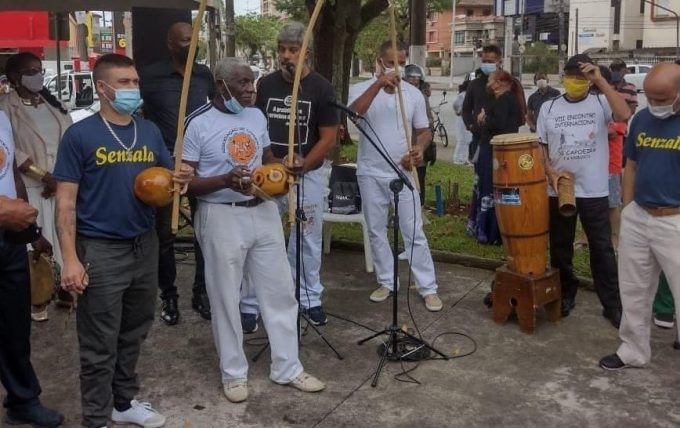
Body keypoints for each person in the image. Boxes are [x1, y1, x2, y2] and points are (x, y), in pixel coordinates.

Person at [54, 54, 193, 428]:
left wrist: (178, 181)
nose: (134, 88)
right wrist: (70, 259)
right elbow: (65, 204)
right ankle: (96, 417)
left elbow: (163, 183)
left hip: (144, 244)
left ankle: (123, 400)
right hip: (100, 249)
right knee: (99, 341)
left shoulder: (148, 131)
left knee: (135, 329)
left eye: (135, 81)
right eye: (125, 82)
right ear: (103, 88)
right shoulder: (80, 136)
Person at [182, 58, 325, 403]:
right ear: (221, 85)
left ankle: (287, 367)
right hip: (220, 216)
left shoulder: (256, 115)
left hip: (263, 210)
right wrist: (224, 180)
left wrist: (284, 166)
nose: (250, 89)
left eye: (252, 82)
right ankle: (233, 373)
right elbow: (184, 184)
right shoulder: (197, 123)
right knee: (226, 297)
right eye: (243, 83)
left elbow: (267, 159)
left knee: (280, 291)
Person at [239, 22, 339, 330]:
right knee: (259, 237)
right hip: (269, 173)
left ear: (305, 53)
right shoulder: (266, 85)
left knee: (306, 238)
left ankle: (309, 298)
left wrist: (305, 163)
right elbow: (254, 125)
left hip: (306, 176)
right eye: (282, 49)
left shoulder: (321, 87)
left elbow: (328, 137)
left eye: (293, 50)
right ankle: (251, 303)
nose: (286, 55)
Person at [537, 54, 631, 327]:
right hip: (560, 190)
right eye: (571, 76)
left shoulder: (601, 102)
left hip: (594, 190)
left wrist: (600, 80)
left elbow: (624, 115)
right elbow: (541, 145)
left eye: (582, 76)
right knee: (561, 247)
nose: (576, 81)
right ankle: (566, 293)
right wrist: (548, 171)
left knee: (601, 248)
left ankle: (612, 304)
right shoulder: (550, 107)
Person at [348, 40, 442, 312]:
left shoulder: (412, 94)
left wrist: (419, 148)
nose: (396, 70)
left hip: (403, 172)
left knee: (413, 231)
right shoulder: (361, 89)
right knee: (376, 230)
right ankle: (387, 281)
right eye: (390, 63)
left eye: (400, 63)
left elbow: (424, 131)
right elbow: (354, 113)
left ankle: (428, 287)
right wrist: (379, 84)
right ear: (378, 62)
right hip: (370, 171)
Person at [600, 62, 680, 370]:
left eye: (662, 99)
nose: (655, 105)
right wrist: (629, 208)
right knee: (633, 287)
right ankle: (633, 348)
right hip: (639, 215)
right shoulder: (643, 120)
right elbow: (631, 164)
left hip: (674, 219)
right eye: (651, 97)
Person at [139, 21, 217, 324]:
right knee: (166, 234)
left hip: (199, 165)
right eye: (186, 40)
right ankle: (169, 296)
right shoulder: (151, 75)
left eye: (195, 38)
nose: (192, 44)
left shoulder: (203, 75)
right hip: (164, 165)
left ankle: (202, 293)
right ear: (171, 44)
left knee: (203, 232)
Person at [0, 110, 64, 428]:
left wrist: (32, 231)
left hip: (9, 239)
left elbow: (11, 174)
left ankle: (23, 400)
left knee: (15, 327)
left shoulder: (0, 117)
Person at [0, 52, 74, 321]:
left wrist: (62, 177)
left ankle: (65, 288)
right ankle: (38, 298)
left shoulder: (54, 104)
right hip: (30, 187)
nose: (38, 75)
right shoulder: (6, 107)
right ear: (15, 78)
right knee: (36, 242)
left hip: (60, 183)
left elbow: (70, 140)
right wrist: (44, 177)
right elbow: (12, 151)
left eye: (39, 69)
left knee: (64, 234)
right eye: (30, 71)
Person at [469, 70, 526, 245]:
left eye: (491, 80)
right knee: (500, 186)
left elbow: (499, 124)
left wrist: (482, 119)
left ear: (499, 82)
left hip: (495, 149)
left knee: (490, 187)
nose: (488, 84)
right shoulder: (508, 99)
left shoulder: (504, 99)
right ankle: (500, 228)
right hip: (500, 149)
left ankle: (490, 230)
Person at [403, 64, 434, 206]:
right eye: (411, 78)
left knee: (418, 178)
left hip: (417, 144)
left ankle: (419, 208)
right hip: (400, 145)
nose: (414, 81)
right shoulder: (400, 94)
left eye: (417, 78)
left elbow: (428, 123)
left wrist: (424, 144)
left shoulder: (421, 96)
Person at [452, 80, 472, 164]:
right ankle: (457, 158)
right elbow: (455, 104)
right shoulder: (462, 95)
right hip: (462, 120)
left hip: (467, 119)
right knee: (462, 140)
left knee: (467, 140)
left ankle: (464, 158)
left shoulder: (469, 95)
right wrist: (458, 111)